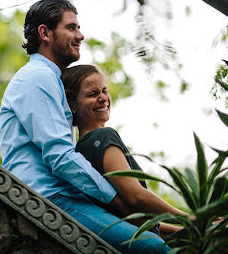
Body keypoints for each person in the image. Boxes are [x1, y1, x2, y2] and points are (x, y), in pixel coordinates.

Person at [0, 0, 173, 253]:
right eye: (71, 28)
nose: (80, 35)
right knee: (152, 247)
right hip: (50, 198)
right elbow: (60, 156)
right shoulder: (38, 77)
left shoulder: (50, 79)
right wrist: (116, 200)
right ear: (44, 33)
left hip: (65, 196)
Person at [61, 64, 187, 239]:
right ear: (72, 104)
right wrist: (192, 220)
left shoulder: (79, 151)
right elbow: (135, 196)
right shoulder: (103, 137)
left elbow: (133, 216)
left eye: (104, 91)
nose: (103, 98)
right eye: (93, 94)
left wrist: (186, 232)